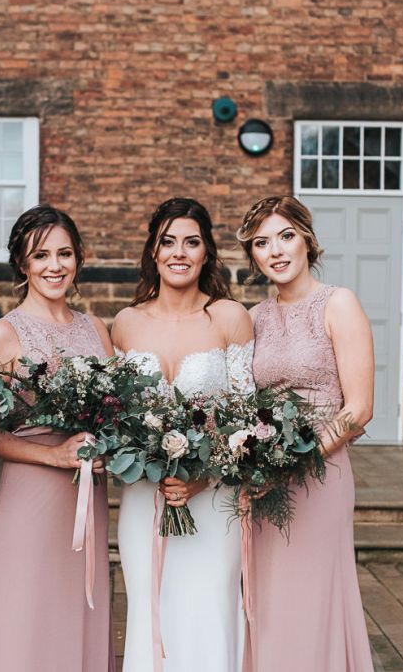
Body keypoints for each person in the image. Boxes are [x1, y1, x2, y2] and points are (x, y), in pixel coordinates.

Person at [113, 197, 253, 672]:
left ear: (206, 252)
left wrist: (203, 476)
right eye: (168, 242)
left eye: (191, 242)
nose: (179, 252)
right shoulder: (126, 323)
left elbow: (247, 420)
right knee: (150, 611)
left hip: (213, 498)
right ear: (153, 251)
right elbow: (115, 415)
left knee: (210, 610)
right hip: (144, 498)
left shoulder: (229, 317)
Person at [0, 204, 115, 672]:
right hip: (32, 494)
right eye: (41, 255)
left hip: (87, 493)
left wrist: (109, 444)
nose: (55, 266)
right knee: (28, 613)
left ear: (78, 258)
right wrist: (54, 455)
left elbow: (116, 410)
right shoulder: (3, 334)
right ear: (22, 263)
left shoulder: (96, 329)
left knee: (78, 607)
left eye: (64, 253)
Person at [237, 195, 374, 672]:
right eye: (261, 243)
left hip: (320, 476)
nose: (275, 251)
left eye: (286, 236)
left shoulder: (338, 304)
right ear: (252, 255)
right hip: (264, 485)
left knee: (312, 598)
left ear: (307, 240)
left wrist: (295, 461)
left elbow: (359, 409)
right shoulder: (253, 318)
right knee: (270, 600)